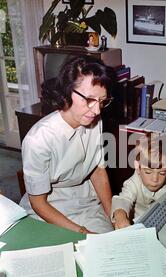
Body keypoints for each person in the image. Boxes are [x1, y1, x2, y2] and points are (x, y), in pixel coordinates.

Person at [20, 55, 115, 234]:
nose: (96, 110)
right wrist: (81, 232)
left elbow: (98, 171)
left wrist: (113, 215)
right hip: (48, 206)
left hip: (85, 201)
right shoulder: (39, 139)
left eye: (102, 101)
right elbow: (39, 203)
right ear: (66, 92)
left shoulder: (94, 120)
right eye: (89, 99)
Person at [111, 133, 166, 229]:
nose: (155, 179)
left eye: (162, 173)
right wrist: (120, 213)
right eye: (148, 172)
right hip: (141, 225)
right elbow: (124, 199)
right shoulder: (133, 183)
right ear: (138, 167)